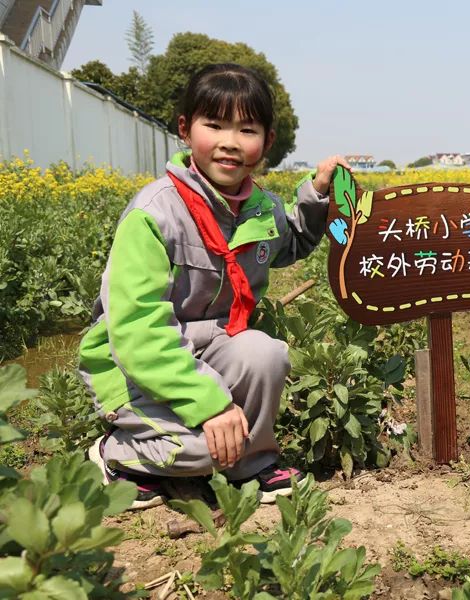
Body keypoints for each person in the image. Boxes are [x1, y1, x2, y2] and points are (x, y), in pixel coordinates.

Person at [81, 63, 349, 509]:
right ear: (186, 130)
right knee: (211, 448)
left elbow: (293, 240)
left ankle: (253, 463)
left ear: (266, 140)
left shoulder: (259, 207)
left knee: (266, 353)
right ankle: (116, 454)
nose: (230, 141)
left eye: (247, 129)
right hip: (133, 364)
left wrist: (318, 193)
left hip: (211, 347)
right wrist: (212, 405)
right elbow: (137, 331)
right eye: (215, 125)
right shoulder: (154, 213)